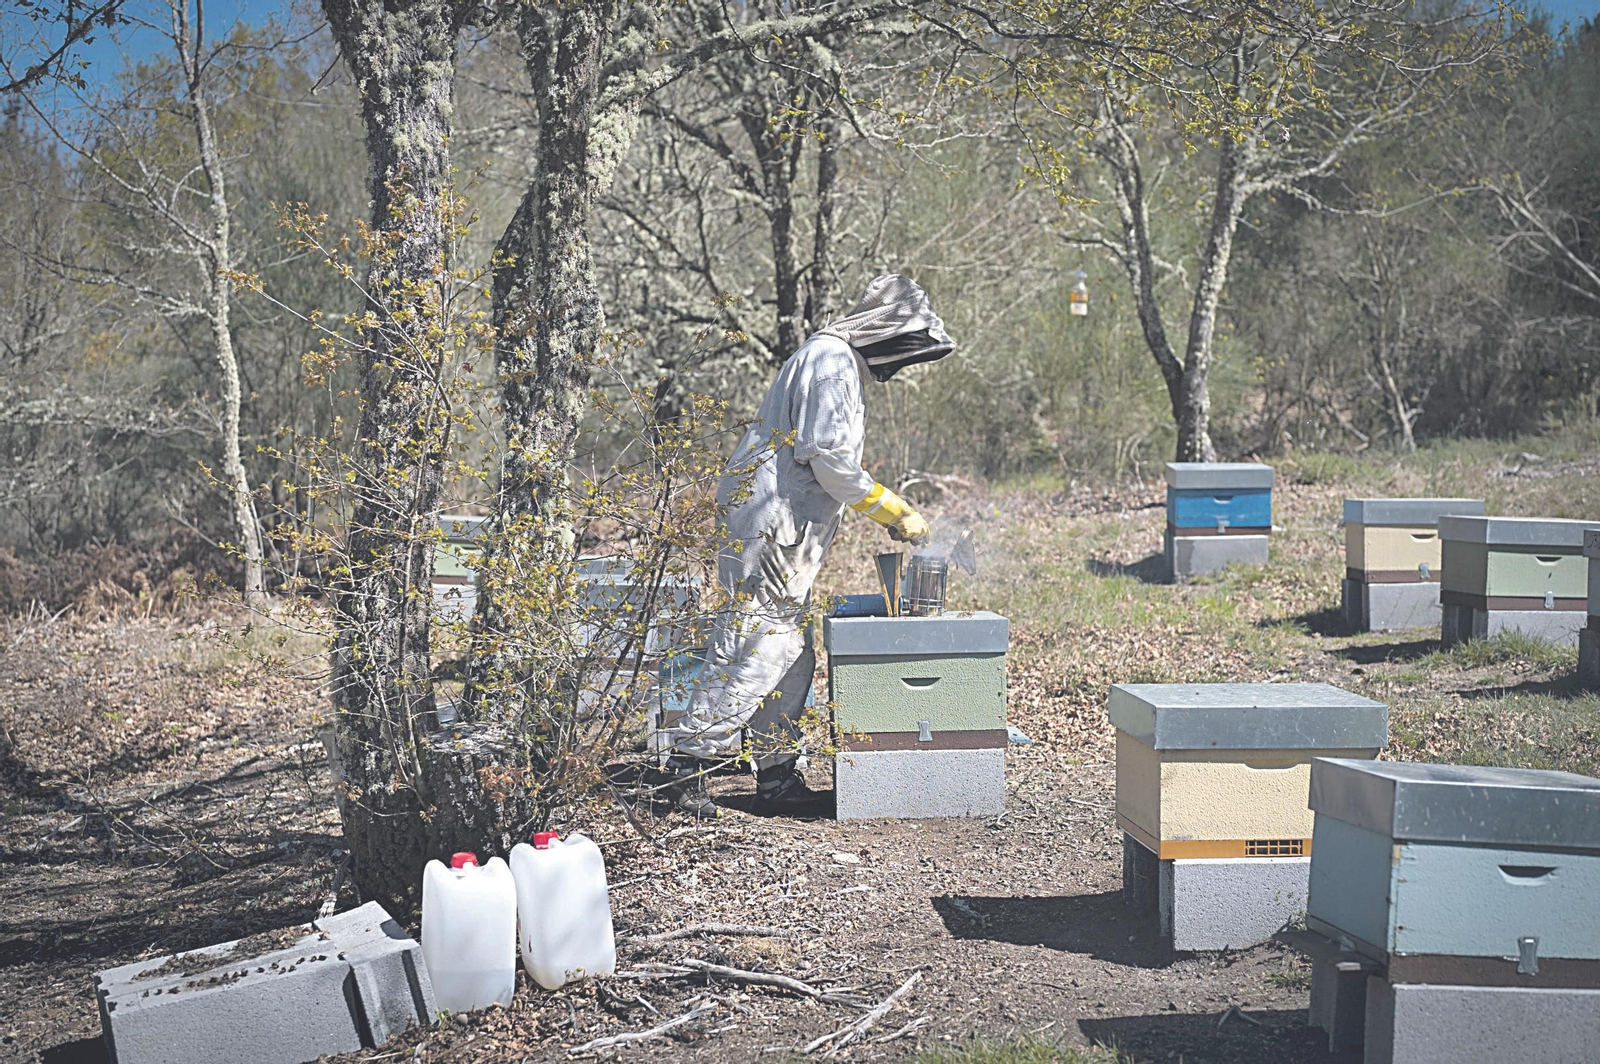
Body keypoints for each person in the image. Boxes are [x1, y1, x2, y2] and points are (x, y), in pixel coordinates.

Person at [660, 274, 956, 817]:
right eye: (907, 346)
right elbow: (830, 461)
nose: (903, 362)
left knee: (791, 651)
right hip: (772, 526)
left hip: (779, 525)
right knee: (757, 641)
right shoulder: (832, 363)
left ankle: (776, 776)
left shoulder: (832, 359)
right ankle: (685, 769)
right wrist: (894, 509)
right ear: (887, 331)